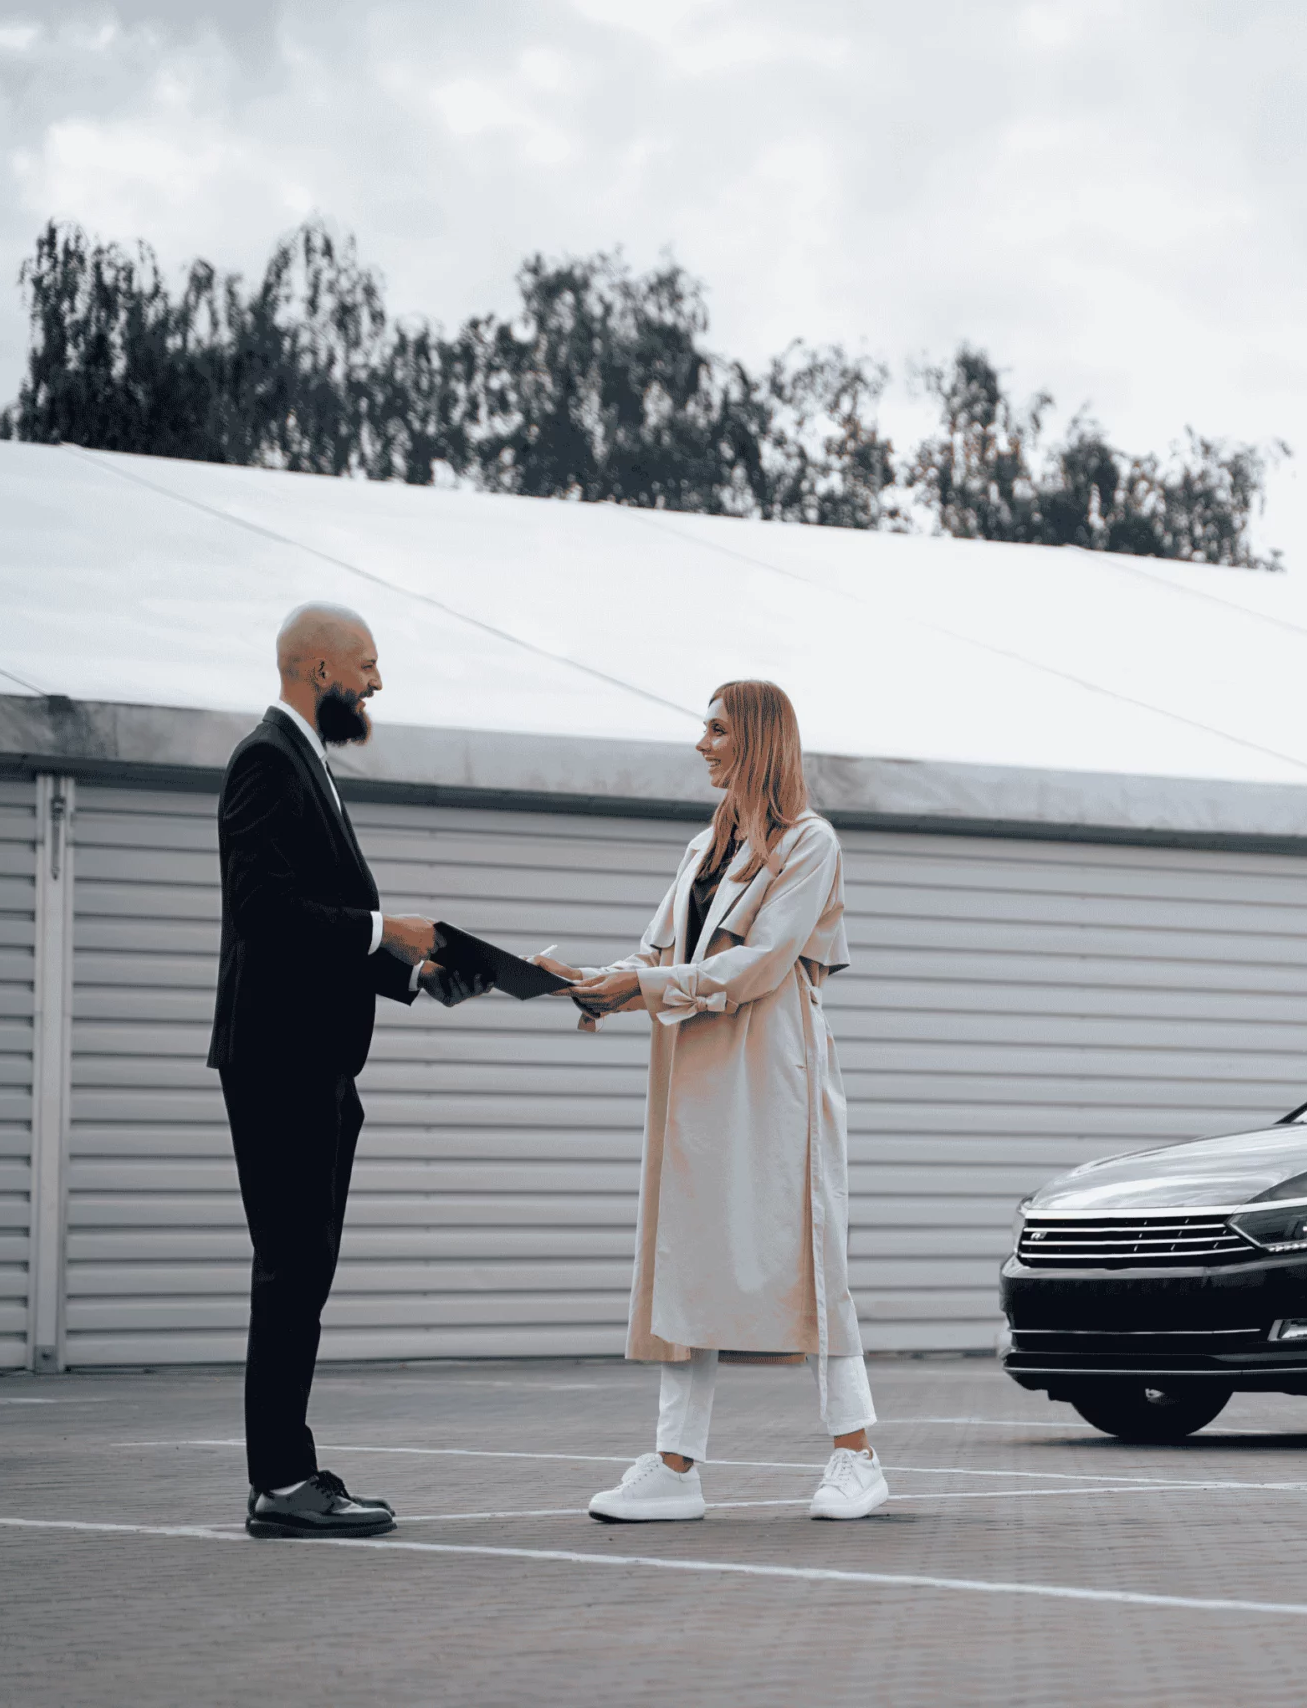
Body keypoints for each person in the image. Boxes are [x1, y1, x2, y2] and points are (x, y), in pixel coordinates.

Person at [541, 680, 886, 1523]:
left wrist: (643, 986)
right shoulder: (703, 847)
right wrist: (587, 983)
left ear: (758, 738)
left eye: (718, 730)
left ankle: (858, 1456)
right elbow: (657, 954)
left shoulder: (811, 842)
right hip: (695, 1071)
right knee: (685, 1257)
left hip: (775, 1073)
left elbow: (762, 963)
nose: (702, 744)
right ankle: (674, 1468)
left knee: (811, 1253)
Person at [211, 602, 478, 1540]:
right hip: (280, 1063)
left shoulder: (307, 764)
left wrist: (417, 974)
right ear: (319, 668)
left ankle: (288, 1471)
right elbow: (265, 912)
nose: (375, 683)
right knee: (292, 1269)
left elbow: (317, 925)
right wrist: (385, 927)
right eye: (365, 665)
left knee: (305, 1272)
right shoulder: (266, 761)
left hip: (315, 1065)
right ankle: (282, 1482)